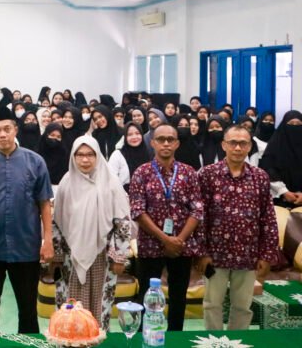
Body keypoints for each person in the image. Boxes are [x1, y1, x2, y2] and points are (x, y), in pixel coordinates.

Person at [0, 106, 53, 334]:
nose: (2, 134)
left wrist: (47, 240)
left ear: (15, 130)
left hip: (25, 245)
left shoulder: (35, 161)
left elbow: (44, 203)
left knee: (27, 307)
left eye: (7, 129)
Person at [197, 125, 278, 331]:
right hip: (215, 254)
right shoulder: (207, 175)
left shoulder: (260, 177)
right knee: (212, 304)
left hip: (248, 254)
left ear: (250, 146)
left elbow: (268, 218)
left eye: (243, 143)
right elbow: (198, 217)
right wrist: (201, 253)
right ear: (224, 145)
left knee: (243, 307)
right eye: (233, 142)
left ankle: (238, 342)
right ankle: (213, 342)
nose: (238, 148)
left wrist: (267, 254)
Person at [129, 123, 205, 331]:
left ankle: (175, 339)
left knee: (179, 296)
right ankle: (146, 337)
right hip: (150, 246)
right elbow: (137, 210)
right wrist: (165, 239)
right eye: (160, 139)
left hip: (182, 245)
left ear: (177, 143)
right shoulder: (141, 173)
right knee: (146, 295)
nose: (165, 143)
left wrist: (179, 239)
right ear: (152, 143)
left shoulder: (189, 173)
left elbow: (197, 210)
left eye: (170, 139)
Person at [52, 136, 130, 331]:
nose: (85, 160)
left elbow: (122, 223)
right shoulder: (66, 182)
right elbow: (57, 222)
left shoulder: (110, 182)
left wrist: (119, 257)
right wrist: (57, 254)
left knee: (99, 303)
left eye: (90, 155)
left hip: (102, 255)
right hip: (71, 256)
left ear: (97, 157)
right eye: (80, 155)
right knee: (70, 307)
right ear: (73, 156)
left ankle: (98, 339)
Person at [259, 110, 302, 208]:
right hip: (279, 201)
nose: (294, 127)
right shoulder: (275, 146)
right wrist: (283, 191)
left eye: (298, 124)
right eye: (291, 124)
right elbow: (267, 169)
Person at [108, 122, 151, 191]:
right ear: (125, 137)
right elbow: (110, 179)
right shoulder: (118, 155)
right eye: (130, 134)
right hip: (124, 197)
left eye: (137, 133)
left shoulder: (148, 153)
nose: (134, 137)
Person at [38, 123, 69, 188]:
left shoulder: (64, 154)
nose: (55, 138)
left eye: (58, 137)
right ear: (46, 135)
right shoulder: (38, 152)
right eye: (52, 135)